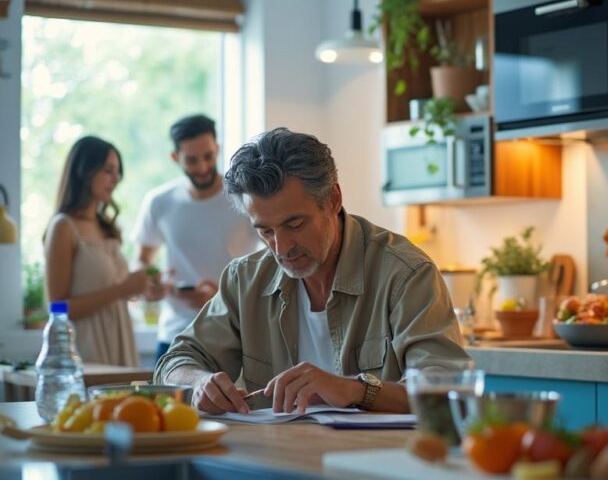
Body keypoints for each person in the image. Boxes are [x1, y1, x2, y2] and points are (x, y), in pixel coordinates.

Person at [154, 128, 469, 414]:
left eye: (295, 224)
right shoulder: (245, 280)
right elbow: (173, 362)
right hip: (278, 462)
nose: (281, 247)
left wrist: (355, 390)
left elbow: (449, 391)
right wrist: (199, 382)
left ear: (333, 199)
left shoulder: (405, 274)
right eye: (265, 231)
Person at [133, 114, 260, 366]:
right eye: (191, 160)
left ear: (217, 149)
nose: (202, 167)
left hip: (235, 334)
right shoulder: (160, 201)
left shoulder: (246, 198)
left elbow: (277, 258)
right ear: (175, 157)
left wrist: (222, 295)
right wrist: (153, 282)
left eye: (208, 156)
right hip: (173, 336)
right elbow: (141, 259)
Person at [44, 136, 144, 367]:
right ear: (84, 171)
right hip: (85, 350)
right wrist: (122, 290)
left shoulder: (106, 227)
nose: (116, 179)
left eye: (118, 171)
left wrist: (142, 287)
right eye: (108, 170)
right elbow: (57, 308)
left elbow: (116, 290)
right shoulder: (63, 227)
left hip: (119, 342)